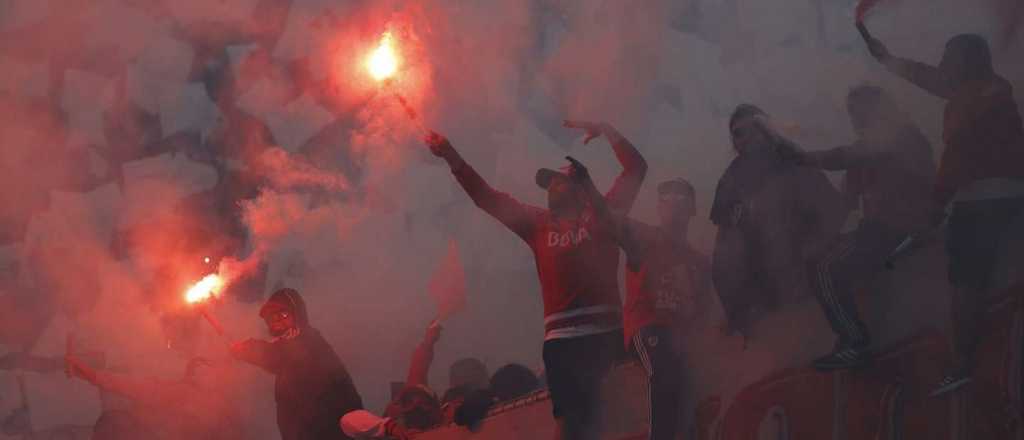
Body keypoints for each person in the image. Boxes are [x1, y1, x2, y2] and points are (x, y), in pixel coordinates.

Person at [425, 120, 646, 440]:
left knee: (620, 421)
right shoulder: (538, 224)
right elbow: (488, 199)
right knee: (570, 426)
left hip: (607, 334)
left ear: (580, 187)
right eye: (549, 184)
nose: (551, 188)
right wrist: (451, 156)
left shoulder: (604, 213)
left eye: (558, 181)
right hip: (562, 343)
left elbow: (636, 169)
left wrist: (608, 129)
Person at [862, 30, 1024, 395]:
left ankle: (962, 365)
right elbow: (931, 79)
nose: (942, 63)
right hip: (1011, 195)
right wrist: (886, 58)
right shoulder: (990, 89)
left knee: (966, 281)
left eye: (949, 57)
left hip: (983, 200)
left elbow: (956, 158)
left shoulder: (971, 102)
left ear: (967, 62)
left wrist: (935, 208)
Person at [783, 85, 936, 370]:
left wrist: (802, 158)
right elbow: (843, 205)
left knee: (824, 268)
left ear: (880, 108)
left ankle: (854, 343)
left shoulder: (903, 136)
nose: (855, 118)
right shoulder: (863, 153)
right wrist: (813, 245)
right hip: (878, 232)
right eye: (852, 112)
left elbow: (841, 157)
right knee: (819, 261)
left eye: (860, 109)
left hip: (901, 229)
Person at [710, 105, 846, 338]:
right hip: (766, 295)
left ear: (765, 128)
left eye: (754, 127)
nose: (746, 137)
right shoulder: (731, 181)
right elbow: (724, 256)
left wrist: (814, 251)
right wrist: (735, 311)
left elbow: (832, 211)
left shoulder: (792, 160)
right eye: (738, 133)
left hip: (811, 279)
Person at [616, 177, 710, 440]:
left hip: (680, 339)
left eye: (681, 198)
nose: (674, 203)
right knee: (665, 369)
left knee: (693, 385)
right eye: (667, 198)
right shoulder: (643, 237)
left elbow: (703, 312)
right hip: (648, 328)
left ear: (692, 209)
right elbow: (608, 217)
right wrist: (586, 185)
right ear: (659, 207)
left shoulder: (700, 262)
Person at [230, 288, 364, 439]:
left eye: (283, 314)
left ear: (297, 314)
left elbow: (275, 355)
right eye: (271, 317)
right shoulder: (290, 348)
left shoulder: (310, 343)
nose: (277, 320)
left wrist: (246, 349)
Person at [65, 355, 243, 440]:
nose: (204, 375)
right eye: (198, 370)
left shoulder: (223, 406)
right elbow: (134, 386)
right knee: (113, 421)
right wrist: (92, 375)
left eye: (207, 370)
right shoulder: (178, 392)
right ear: (191, 376)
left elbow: (234, 431)